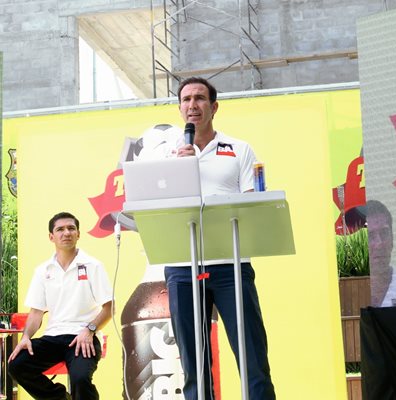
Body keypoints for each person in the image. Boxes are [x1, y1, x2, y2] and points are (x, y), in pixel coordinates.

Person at [135, 77, 275, 400]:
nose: (192, 105)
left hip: (230, 264)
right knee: (194, 364)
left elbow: (253, 204)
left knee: (252, 355)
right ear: (180, 108)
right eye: (185, 99)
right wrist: (179, 171)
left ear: (214, 107)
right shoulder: (166, 156)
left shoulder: (239, 149)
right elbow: (154, 210)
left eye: (199, 98)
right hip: (183, 267)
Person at [8, 212, 113, 400]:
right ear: (51, 237)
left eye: (71, 228)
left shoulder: (92, 265)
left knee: (80, 379)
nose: (66, 233)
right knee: (17, 365)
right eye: (60, 229)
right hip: (53, 337)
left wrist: (89, 330)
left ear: (78, 234)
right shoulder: (42, 271)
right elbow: (36, 312)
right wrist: (25, 337)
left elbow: (109, 307)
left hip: (83, 337)